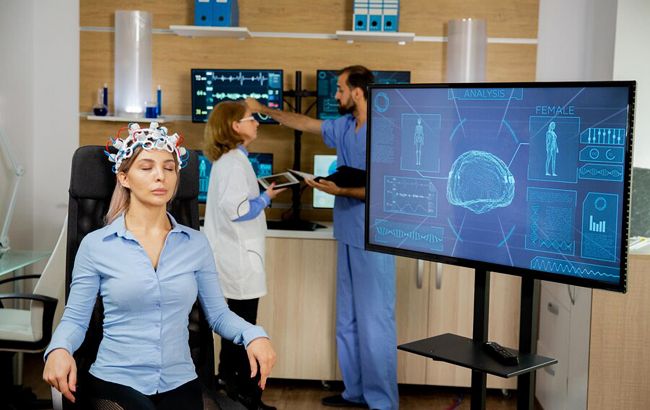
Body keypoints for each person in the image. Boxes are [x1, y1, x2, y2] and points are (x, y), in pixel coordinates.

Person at [42, 122, 276, 410]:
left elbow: (218, 315)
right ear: (124, 177)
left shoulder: (195, 244)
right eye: (146, 167)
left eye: (169, 168)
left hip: (179, 380)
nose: (160, 176)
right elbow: (76, 320)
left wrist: (254, 334)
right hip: (115, 381)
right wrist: (59, 349)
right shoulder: (96, 245)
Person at [246, 65, 398, 410]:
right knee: (348, 319)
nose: (336, 95)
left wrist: (340, 189)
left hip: (374, 236)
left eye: (341, 89)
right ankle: (355, 393)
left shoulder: (385, 129)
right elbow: (303, 122)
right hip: (347, 230)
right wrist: (263, 109)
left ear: (357, 91)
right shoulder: (344, 126)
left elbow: (386, 189)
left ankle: (382, 402)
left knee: (376, 320)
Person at [202, 101, 285, 410]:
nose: (257, 122)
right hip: (237, 260)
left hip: (234, 256)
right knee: (244, 330)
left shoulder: (231, 161)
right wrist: (265, 199)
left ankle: (232, 391)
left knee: (235, 329)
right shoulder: (234, 163)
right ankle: (246, 398)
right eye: (252, 118)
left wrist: (261, 197)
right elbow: (238, 210)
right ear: (235, 126)